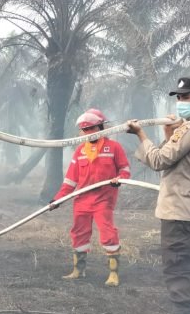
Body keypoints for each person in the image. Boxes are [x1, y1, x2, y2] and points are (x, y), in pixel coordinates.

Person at [126, 76, 190, 314]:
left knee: (177, 266)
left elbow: (158, 160)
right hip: (185, 206)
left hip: (179, 208)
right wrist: (168, 134)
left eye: (186, 97)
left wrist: (140, 135)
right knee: (183, 264)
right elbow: (173, 159)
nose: (180, 102)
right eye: (178, 98)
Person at [50, 109, 131, 286]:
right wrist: (58, 199)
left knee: (107, 233)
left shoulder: (114, 148)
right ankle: (78, 270)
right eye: (84, 130)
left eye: (91, 129)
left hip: (104, 199)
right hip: (82, 200)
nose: (88, 133)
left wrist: (120, 179)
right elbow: (70, 180)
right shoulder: (80, 151)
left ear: (101, 127)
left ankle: (113, 274)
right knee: (79, 233)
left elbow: (125, 170)